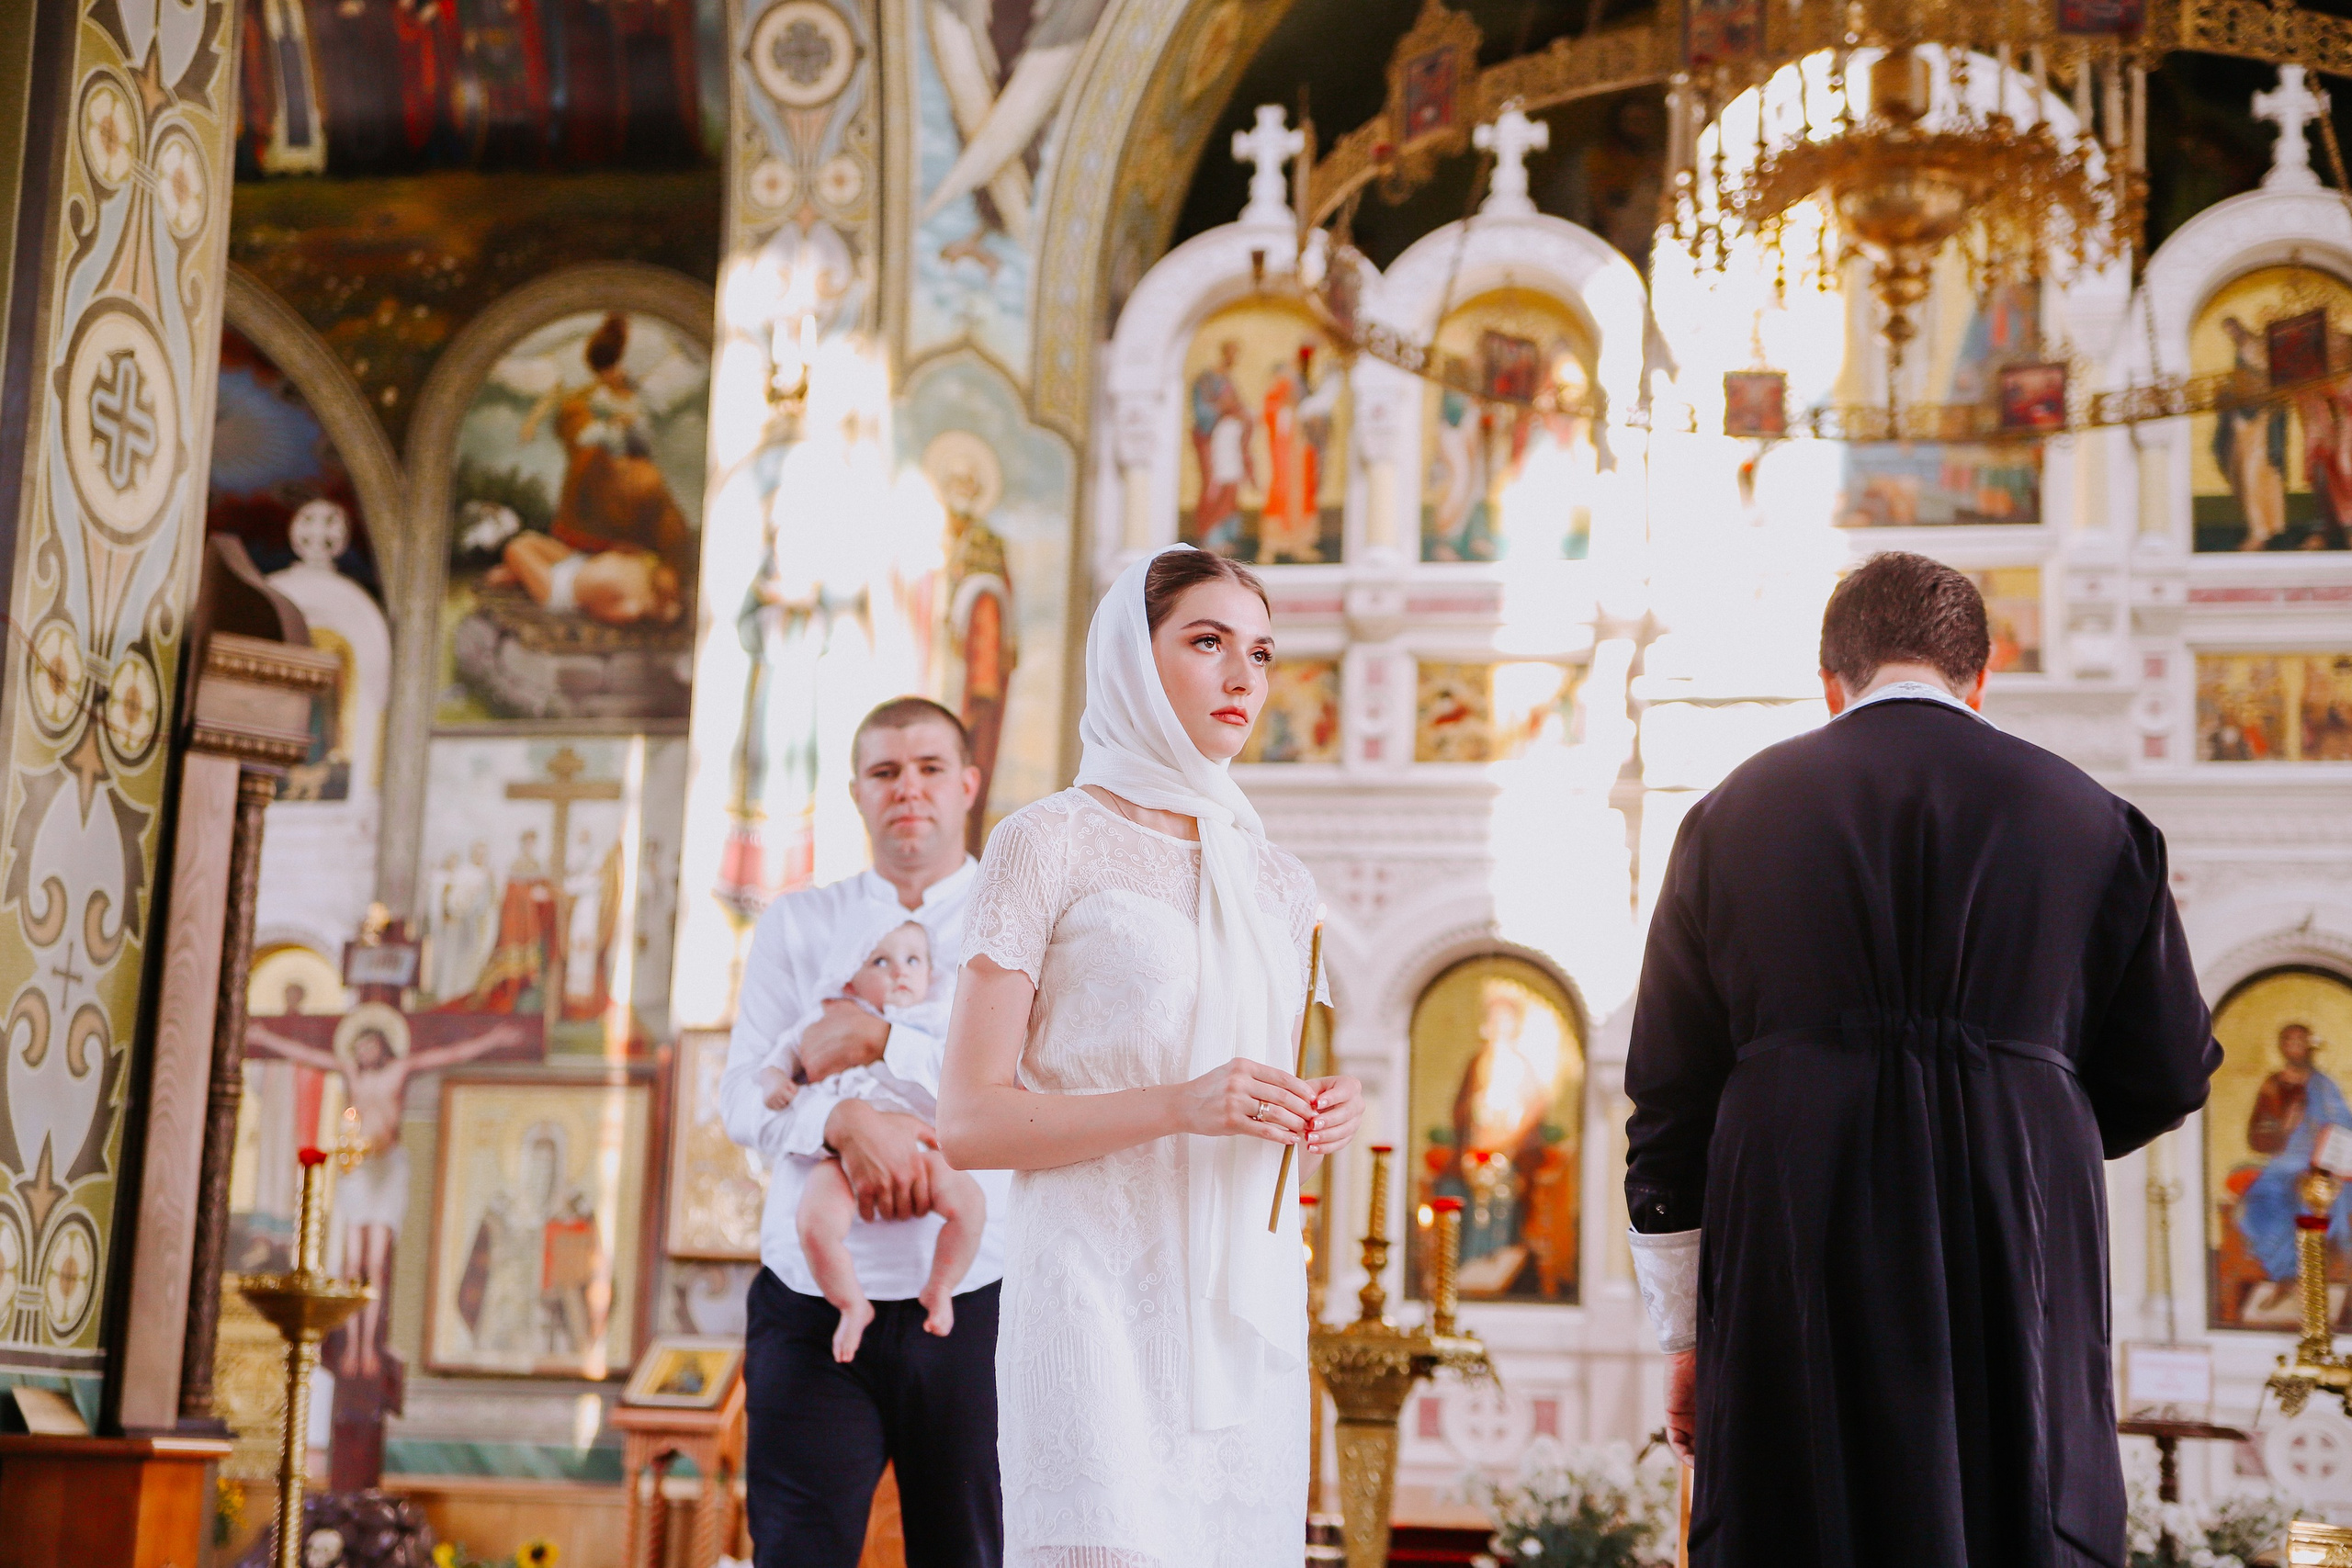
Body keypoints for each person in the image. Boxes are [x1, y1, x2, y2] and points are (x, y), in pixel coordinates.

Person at [1623, 551, 2220, 1568]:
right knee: (2016, 1503)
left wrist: (1688, 1339)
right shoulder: (2095, 819)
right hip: (2015, 1214)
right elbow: (2169, 1069)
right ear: (1980, 678)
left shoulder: (1726, 819)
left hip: (1793, 1219)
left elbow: (1670, 1102)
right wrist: (2035, 1105)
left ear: (1830, 681)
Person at [937, 545, 1366, 1568]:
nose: (1241, 677)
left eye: (1260, 654)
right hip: (1091, 1294)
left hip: (1242, 1317)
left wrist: (1316, 1110)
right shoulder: (1047, 841)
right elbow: (968, 1120)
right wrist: (1179, 1103)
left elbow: (1251, 1094)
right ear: (1133, 654)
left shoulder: (1278, 882)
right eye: (1207, 642)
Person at [722, 697, 1009, 1568]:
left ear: (968, 784)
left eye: (929, 769)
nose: (907, 789)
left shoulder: (1015, 923)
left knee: (970, 1555)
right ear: (857, 793)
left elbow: (1023, 1092)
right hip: (809, 1302)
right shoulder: (799, 922)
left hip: (975, 1300)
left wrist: (884, 1041)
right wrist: (843, 1121)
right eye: (885, 772)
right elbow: (741, 1097)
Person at [761, 912, 987, 1359]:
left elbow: (966, 1080)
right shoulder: (828, 1017)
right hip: (839, 1158)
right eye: (880, 962)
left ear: (931, 972)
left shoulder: (940, 1020)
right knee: (814, 1222)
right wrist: (774, 1081)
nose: (900, 971)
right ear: (850, 978)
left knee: (971, 1205)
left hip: (925, 1148)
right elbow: (780, 1056)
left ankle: (941, 1286)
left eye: (913, 960)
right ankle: (851, 1304)